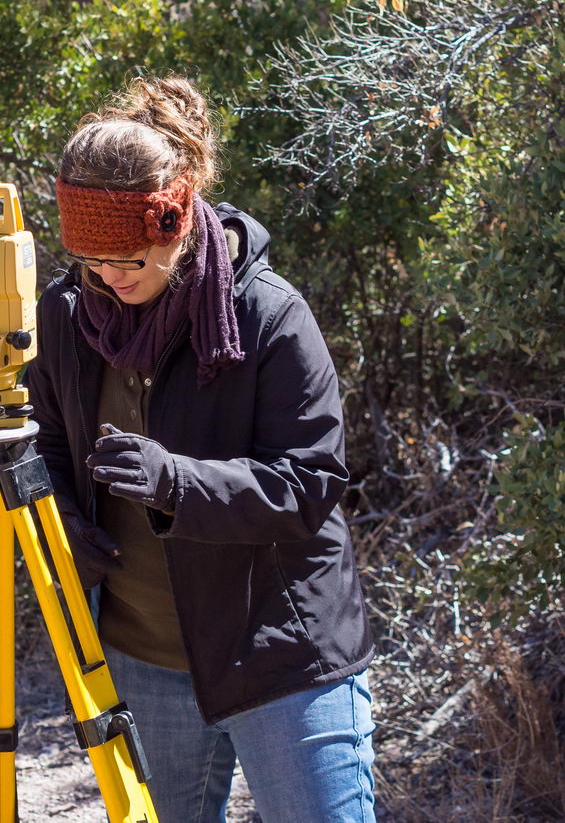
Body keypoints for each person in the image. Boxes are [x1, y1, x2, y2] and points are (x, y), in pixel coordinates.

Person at [25, 78, 376, 822]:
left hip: (281, 652)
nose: (109, 280)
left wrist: (175, 482)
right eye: (91, 261)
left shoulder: (268, 315)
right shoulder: (66, 314)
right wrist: (61, 518)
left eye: (125, 259)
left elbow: (310, 483)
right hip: (139, 653)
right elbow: (47, 441)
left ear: (173, 220)